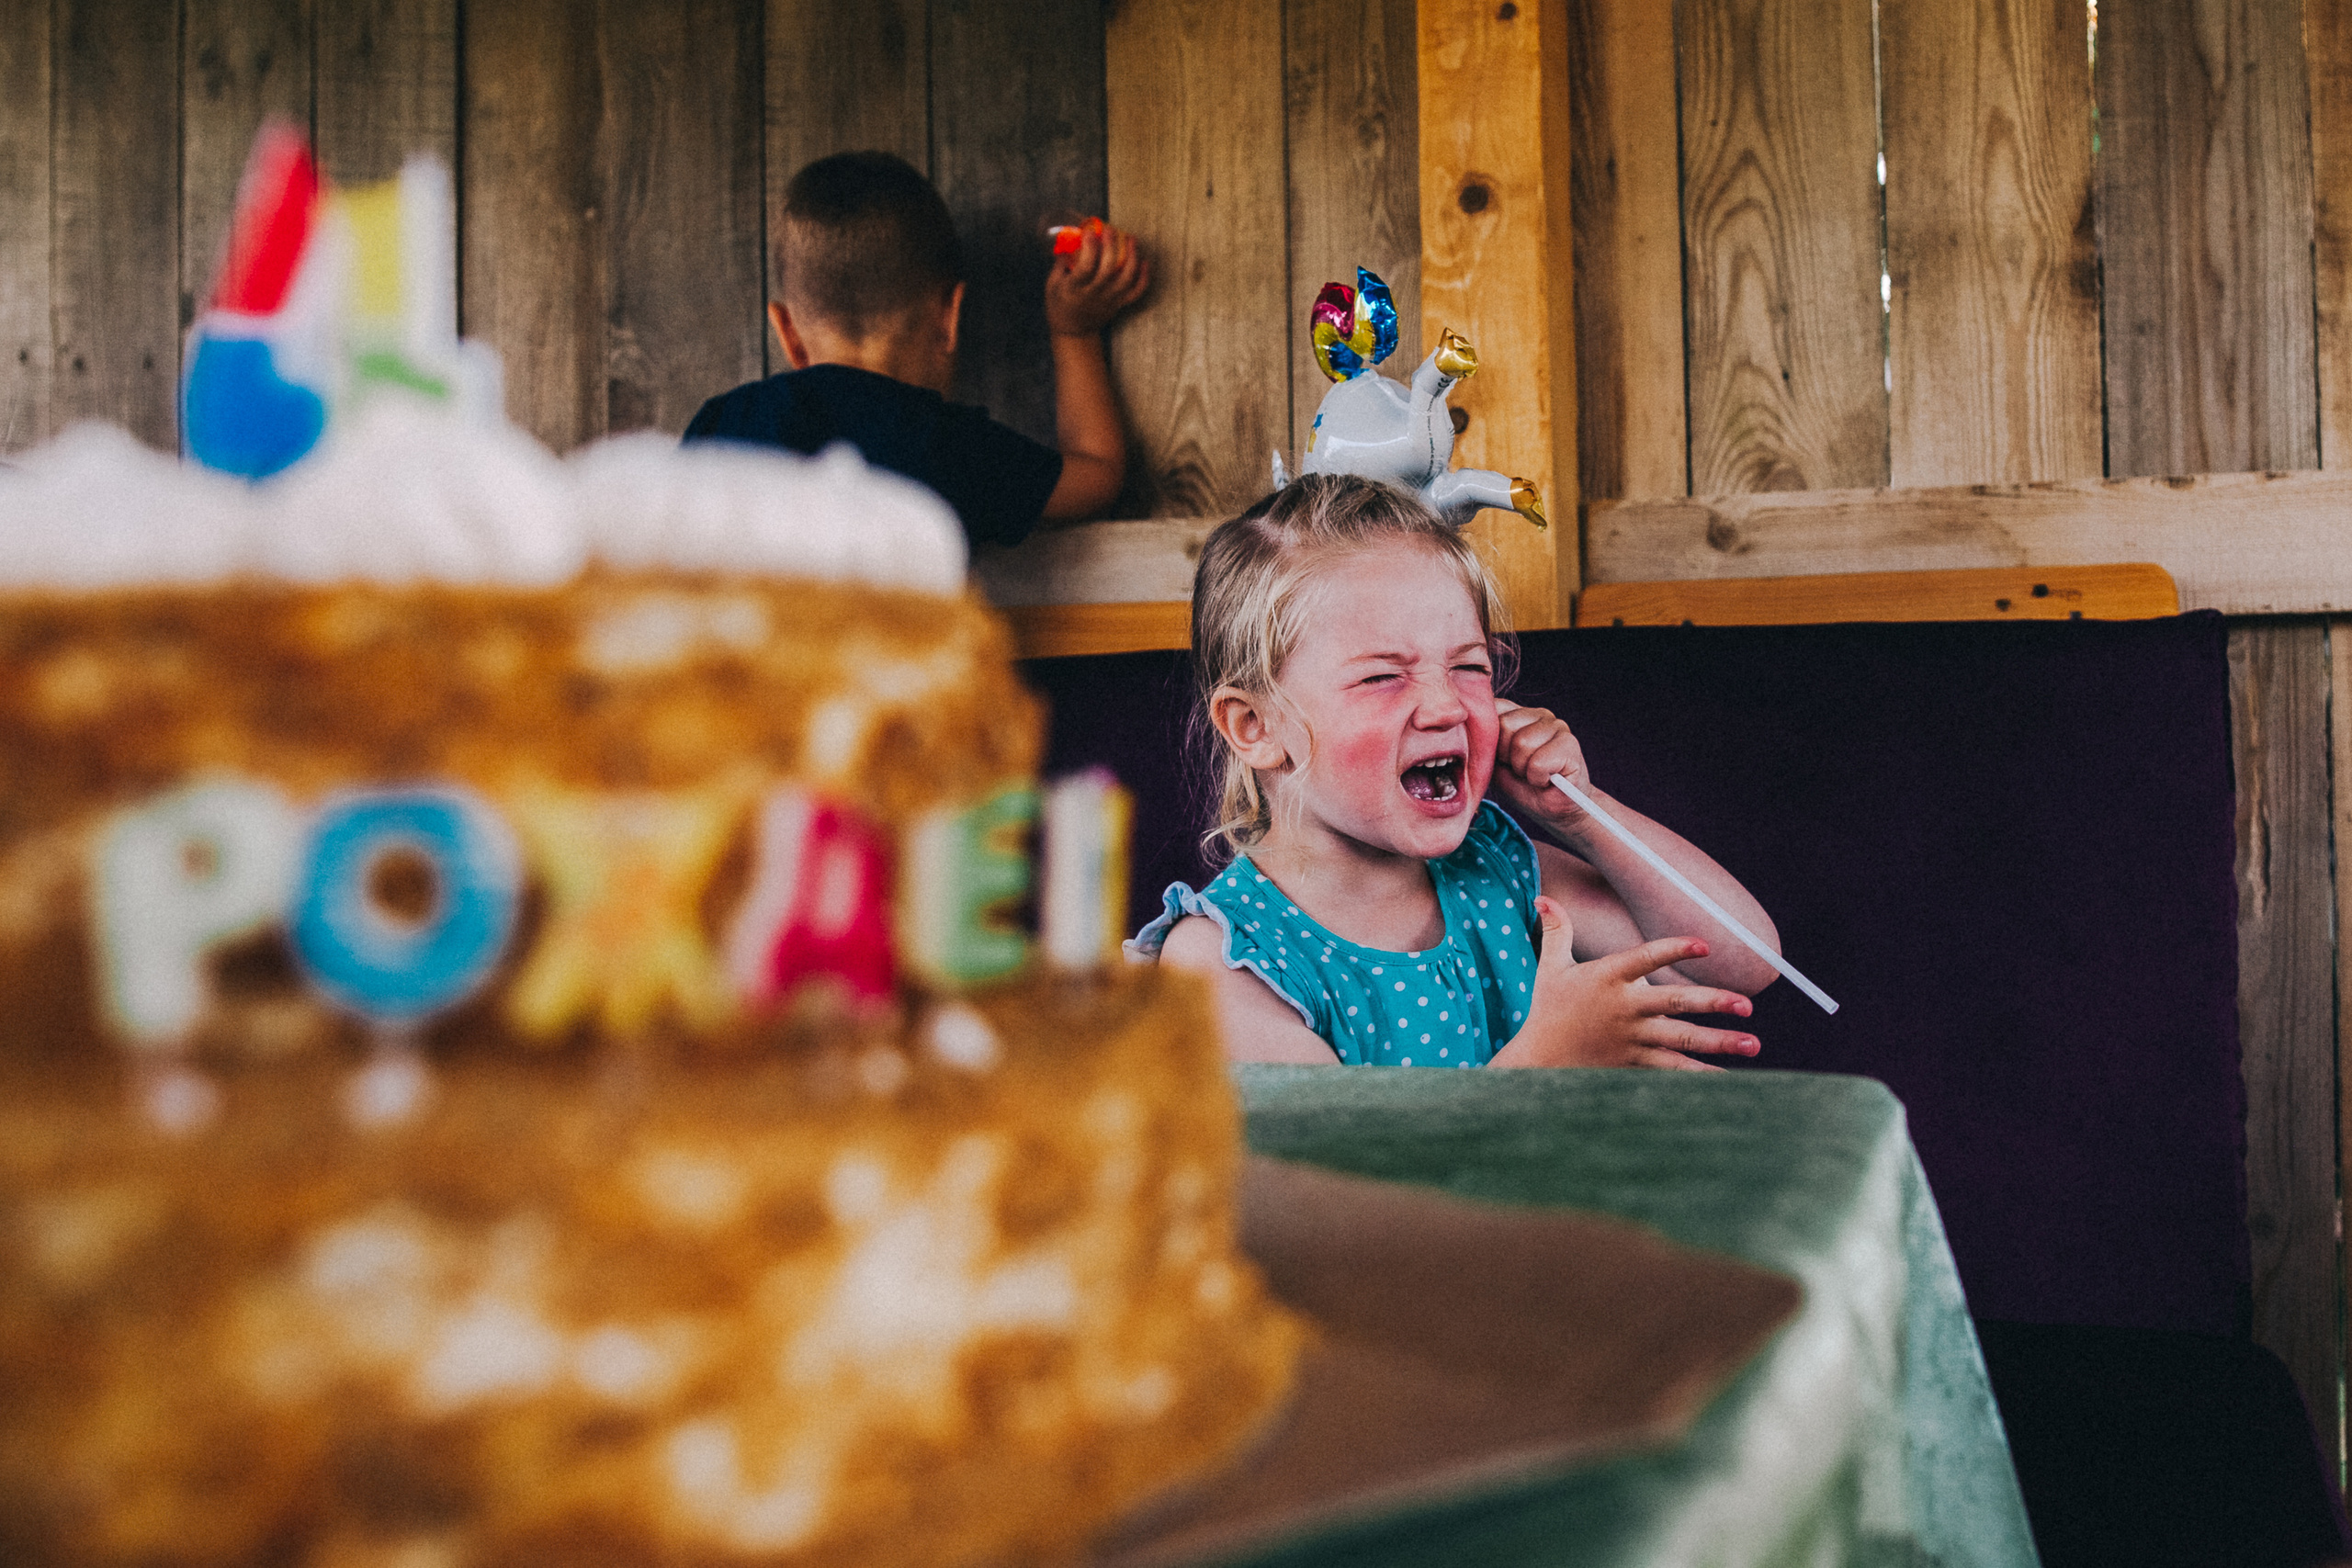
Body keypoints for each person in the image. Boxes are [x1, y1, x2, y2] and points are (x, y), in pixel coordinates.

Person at [1129, 474, 1782, 1068]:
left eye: (1469, 666)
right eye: (1383, 676)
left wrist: (1584, 815)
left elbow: (1746, 965)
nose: (1446, 706)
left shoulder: (1500, 873)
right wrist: (1549, 1060)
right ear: (1256, 727)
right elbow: (1357, 1185)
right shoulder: (1219, 961)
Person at [684, 151, 1147, 547]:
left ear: (788, 332)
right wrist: (1074, 332)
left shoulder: (718, 427)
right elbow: (1099, 473)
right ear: (950, 316)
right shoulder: (955, 448)